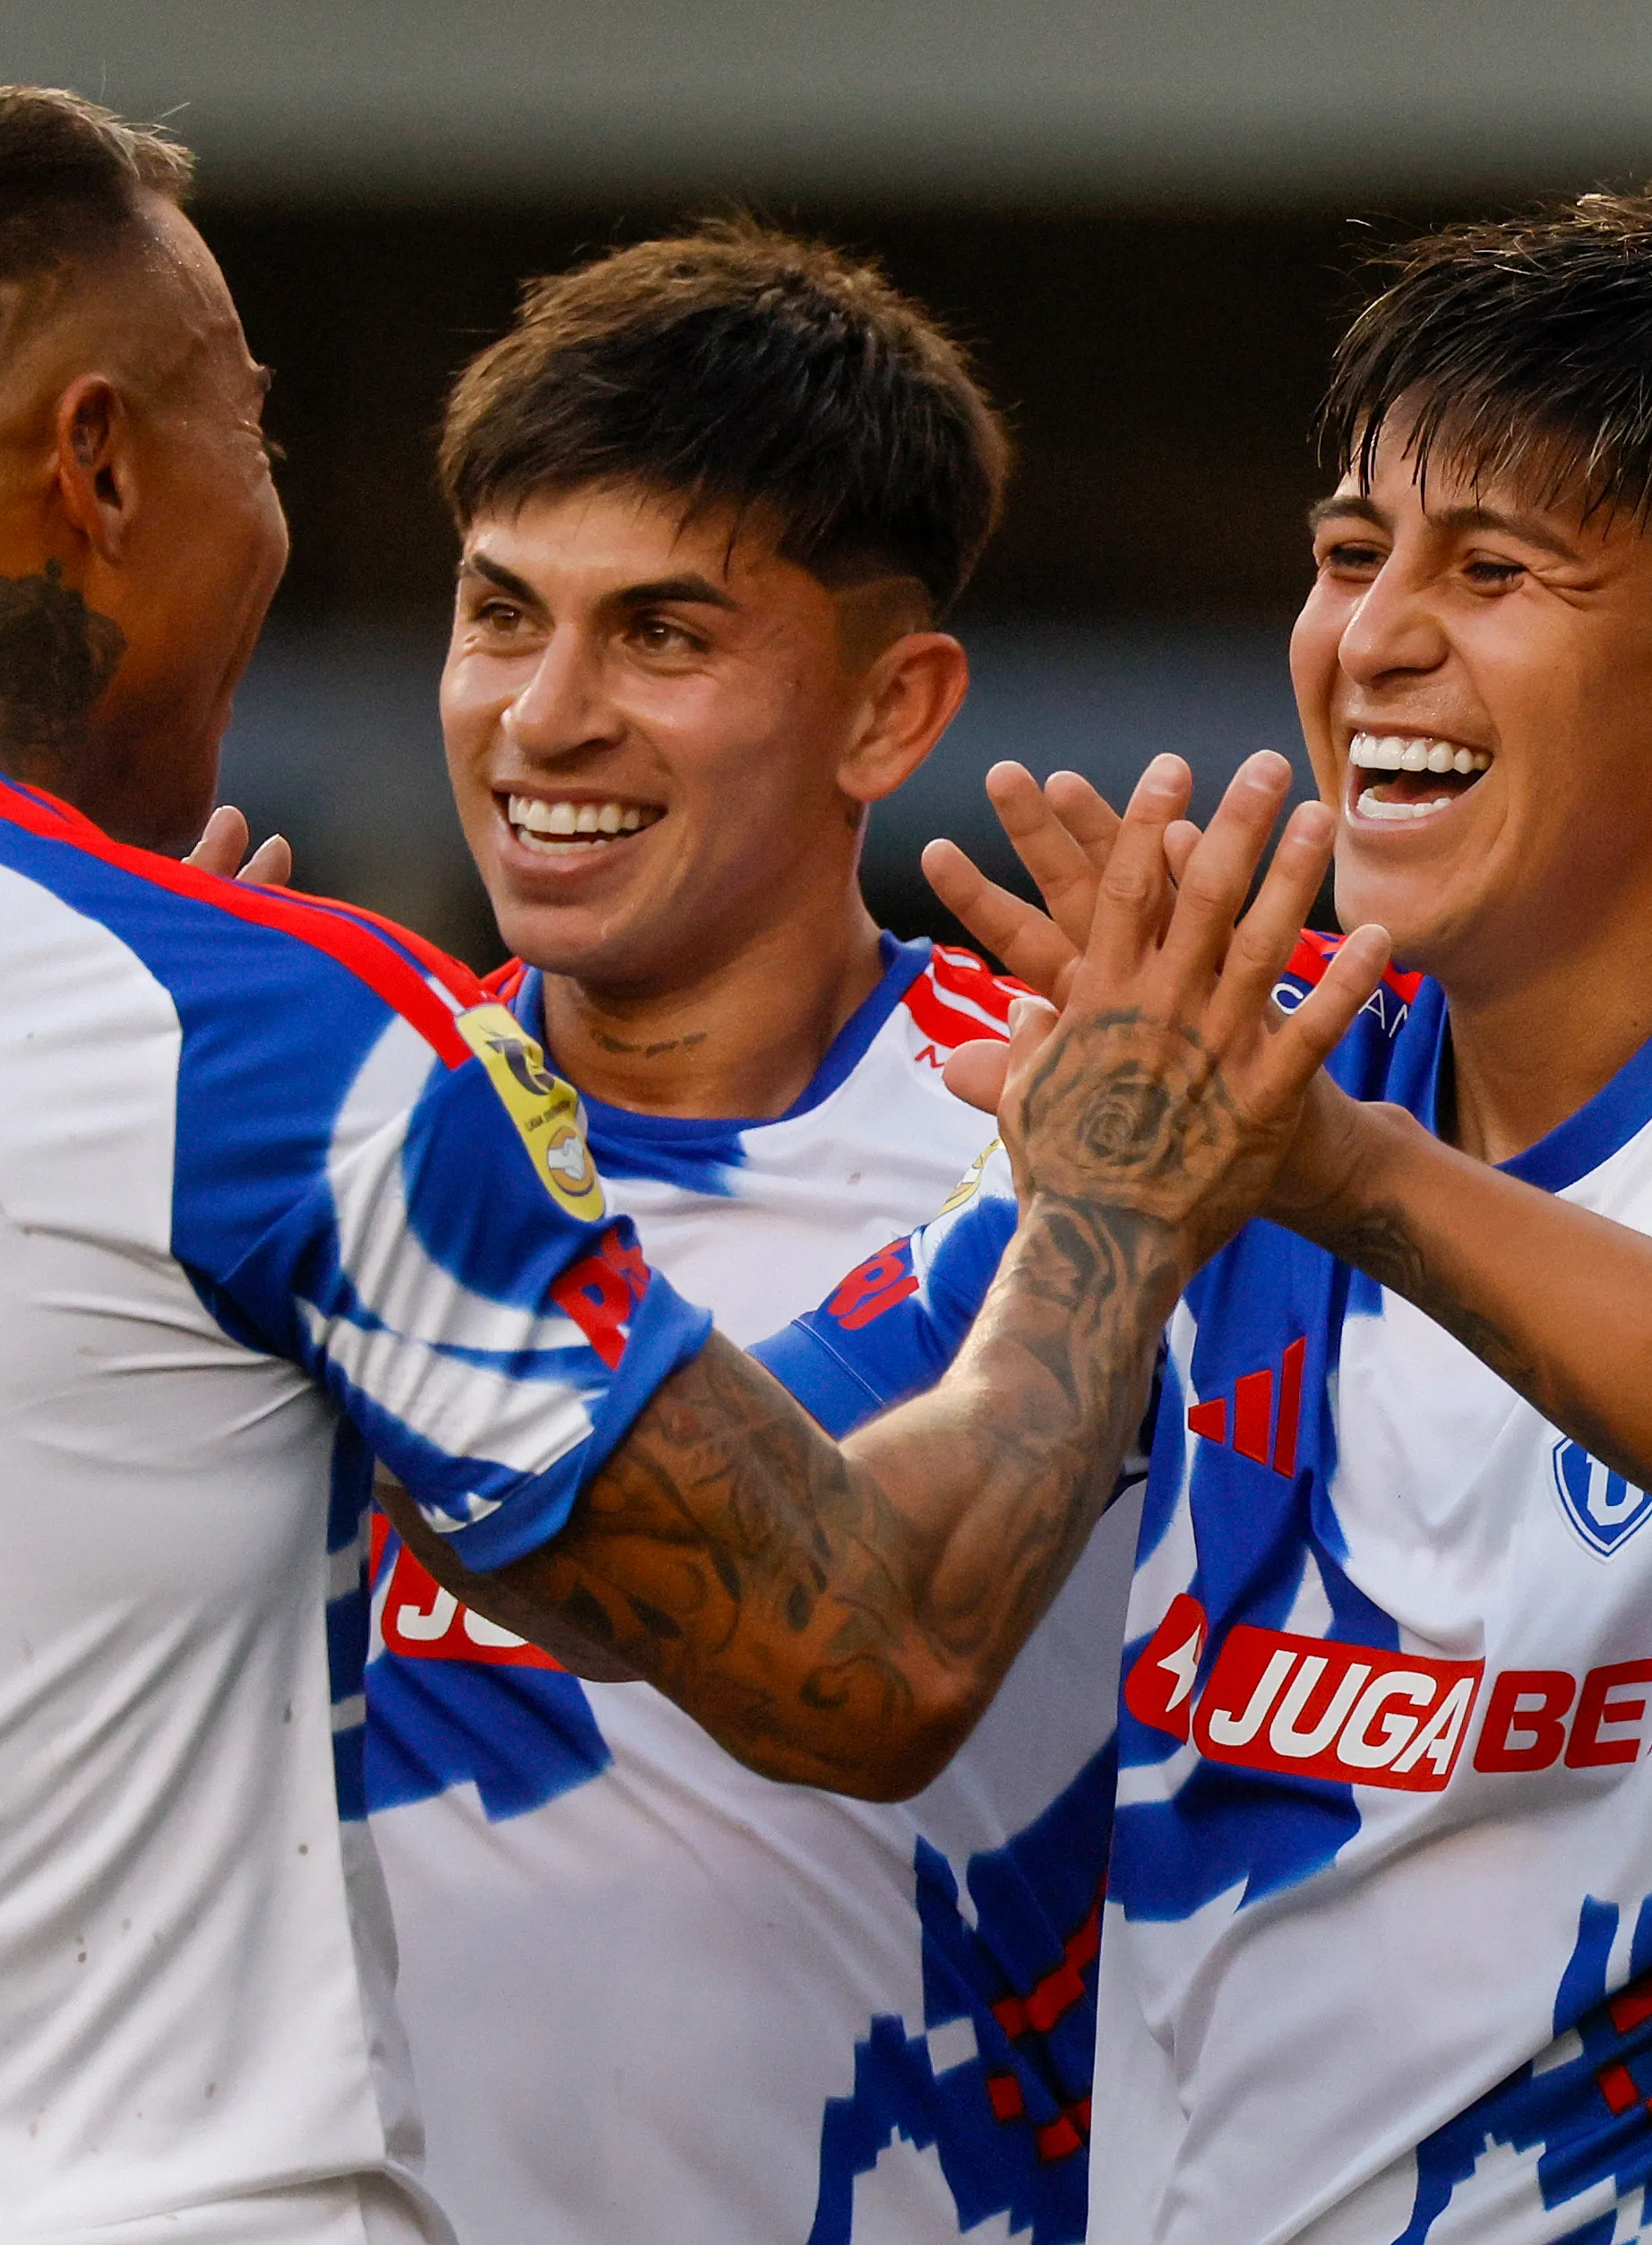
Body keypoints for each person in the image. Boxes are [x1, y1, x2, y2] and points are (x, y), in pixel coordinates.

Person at [0, 76, 1382, 2241]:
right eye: (246, 427)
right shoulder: (225, 1026)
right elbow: (863, 1651)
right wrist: (1115, 1200)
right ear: (99, 463)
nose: (541, 708)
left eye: (660, 632)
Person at [806, 181, 1652, 2240]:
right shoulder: (1212, 1075)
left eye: (1494, 568)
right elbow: (794, 1527)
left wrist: (1341, 1175)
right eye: (1349, 553)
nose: (1372, 638)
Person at [362, 222, 1124, 2245]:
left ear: (891, 710)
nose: (542, 716)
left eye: (662, 637)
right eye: (497, 613)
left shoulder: (1100, 1124)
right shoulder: (311, 1133)